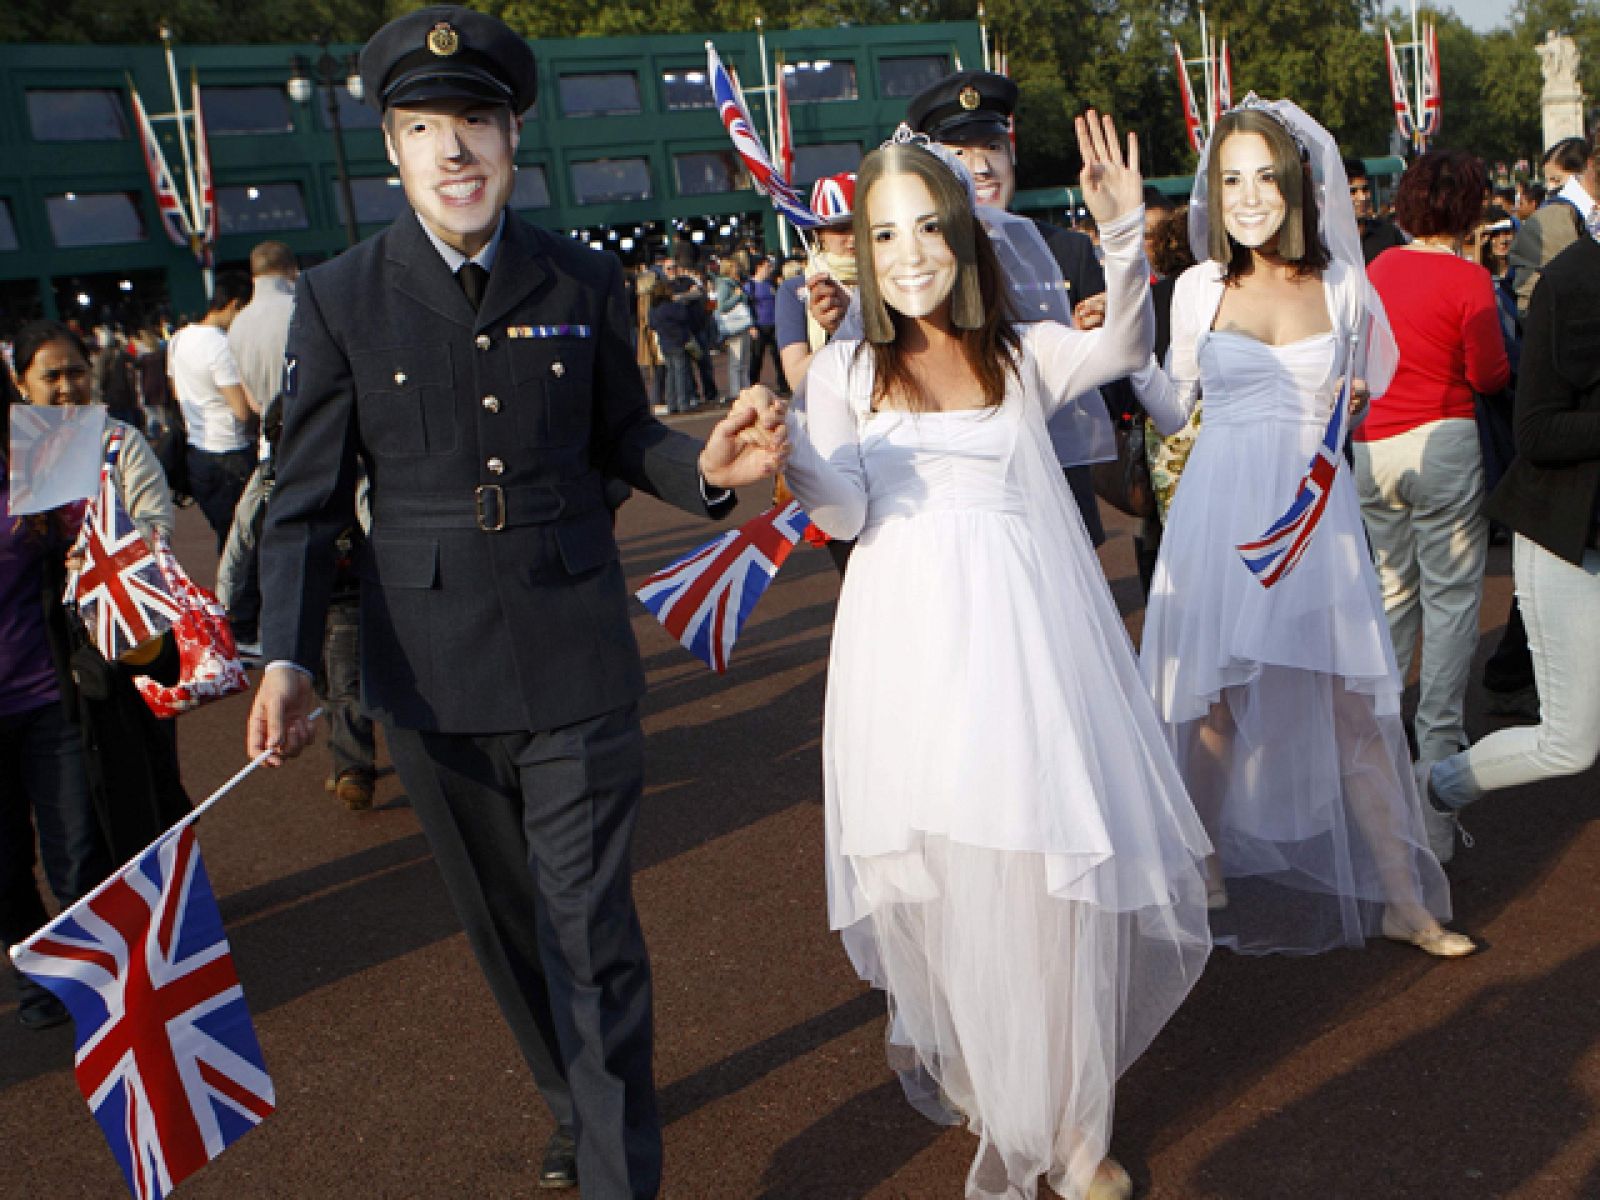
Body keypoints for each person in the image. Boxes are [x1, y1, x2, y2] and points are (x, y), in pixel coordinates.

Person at [245, 9, 786, 1197]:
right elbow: (304, 502)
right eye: (424, 127)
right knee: (503, 927)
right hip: (429, 670)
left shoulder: (583, 278)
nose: (454, 149)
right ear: (392, 149)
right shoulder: (337, 300)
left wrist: (703, 472)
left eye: (475, 122)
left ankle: (614, 1173)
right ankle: (567, 1101)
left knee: (591, 934)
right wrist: (285, 658)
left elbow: (625, 434)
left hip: (573, 647)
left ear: (511, 137)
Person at [768, 117, 1210, 1200]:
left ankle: (1069, 1131)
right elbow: (844, 510)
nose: (910, 252)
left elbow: (1119, 353)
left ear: (965, 237)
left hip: (1025, 650)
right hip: (905, 654)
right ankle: (992, 1071)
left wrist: (1119, 237)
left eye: (929, 226)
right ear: (857, 254)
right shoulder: (842, 368)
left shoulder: (1017, 350)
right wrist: (792, 454)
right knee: (954, 877)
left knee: (1045, 877)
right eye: (883, 235)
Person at [1137, 96, 1473, 959]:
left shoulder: (1346, 285)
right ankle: (1204, 863)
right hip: (1224, 512)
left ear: (1296, 184)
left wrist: (1348, 403)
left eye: (1264, 177)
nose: (1248, 197)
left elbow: (1376, 384)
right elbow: (1175, 412)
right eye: (1231, 178)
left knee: (1356, 707)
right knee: (1214, 705)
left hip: (1315, 520)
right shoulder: (1197, 288)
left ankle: (1403, 899)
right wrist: (1129, 357)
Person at [4, 324, 189, 1027]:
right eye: (49, 377)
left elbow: (146, 531)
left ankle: (116, 954)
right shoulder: (22, 452)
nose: (65, 388)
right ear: (20, 384)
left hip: (79, 671)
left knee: (93, 826)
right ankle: (44, 970)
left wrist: (108, 558)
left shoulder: (90, 445)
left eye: (74, 373)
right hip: (32, 674)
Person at [1419, 230, 1600, 828]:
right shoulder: (1574, 281)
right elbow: (1537, 432)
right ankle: (1430, 796)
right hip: (1568, 536)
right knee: (1568, 744)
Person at [909, 69, 1118, 546]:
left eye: (992, 148)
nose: (980, 167)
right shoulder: (920, 264)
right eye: (959, 153)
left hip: (1062, 482)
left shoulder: (1069, 251)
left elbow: (1118, 382)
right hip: (971, 494)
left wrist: (1096, 338)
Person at [1357, 151, 1510, 798]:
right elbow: (1490, 375)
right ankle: (1439, 744)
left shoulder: (1379, 268)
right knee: (1450, 601)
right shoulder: (1469, 281)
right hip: (1444, 437)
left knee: (1392, 592)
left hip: (1374, 443)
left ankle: (1381, 738)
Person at [219, 240, 301, 653]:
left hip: (269, 444)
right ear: (291, 268)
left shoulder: (238, 325)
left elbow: (249, 403)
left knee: (261, 538)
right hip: (312, 440)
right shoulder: (300, 308)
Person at [168, 272, 256, 551]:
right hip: (230, 451)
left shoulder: (179, 339)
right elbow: (241, 410)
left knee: (227, 539)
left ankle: (230, 592)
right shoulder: (220, 346)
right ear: (234, 305)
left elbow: (176, 392)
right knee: (246, 541)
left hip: (197, 451)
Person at [776, 173, 857, 389]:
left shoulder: (892, 279)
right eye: (841, 228)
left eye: (861, 225)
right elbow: (797, 379)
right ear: (818, 233)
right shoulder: (793, 290)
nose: (854, 237)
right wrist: (842, 336)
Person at [1508, 135, 1597, 317]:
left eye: (1556, 179)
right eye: (1549, 180)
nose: (1549, 188)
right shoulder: (1552, 220)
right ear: (1590, 165)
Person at [1344, 156, 1406, 263]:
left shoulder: (1388, 233)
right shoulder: (1326, 242)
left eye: (1365, 189)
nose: (1362, 197)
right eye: (1352, 192)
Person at [745, 256, 788, 394]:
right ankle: (753, 384)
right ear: (759, 267)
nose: (770, 269)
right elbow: (747, 306)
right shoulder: (749, 286)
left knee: (778, 356)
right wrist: (751, 325)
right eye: (767, 266)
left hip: (774, 323)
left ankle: (783, 384)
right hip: (759, 325)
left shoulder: (771, 284)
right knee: (757, 357)